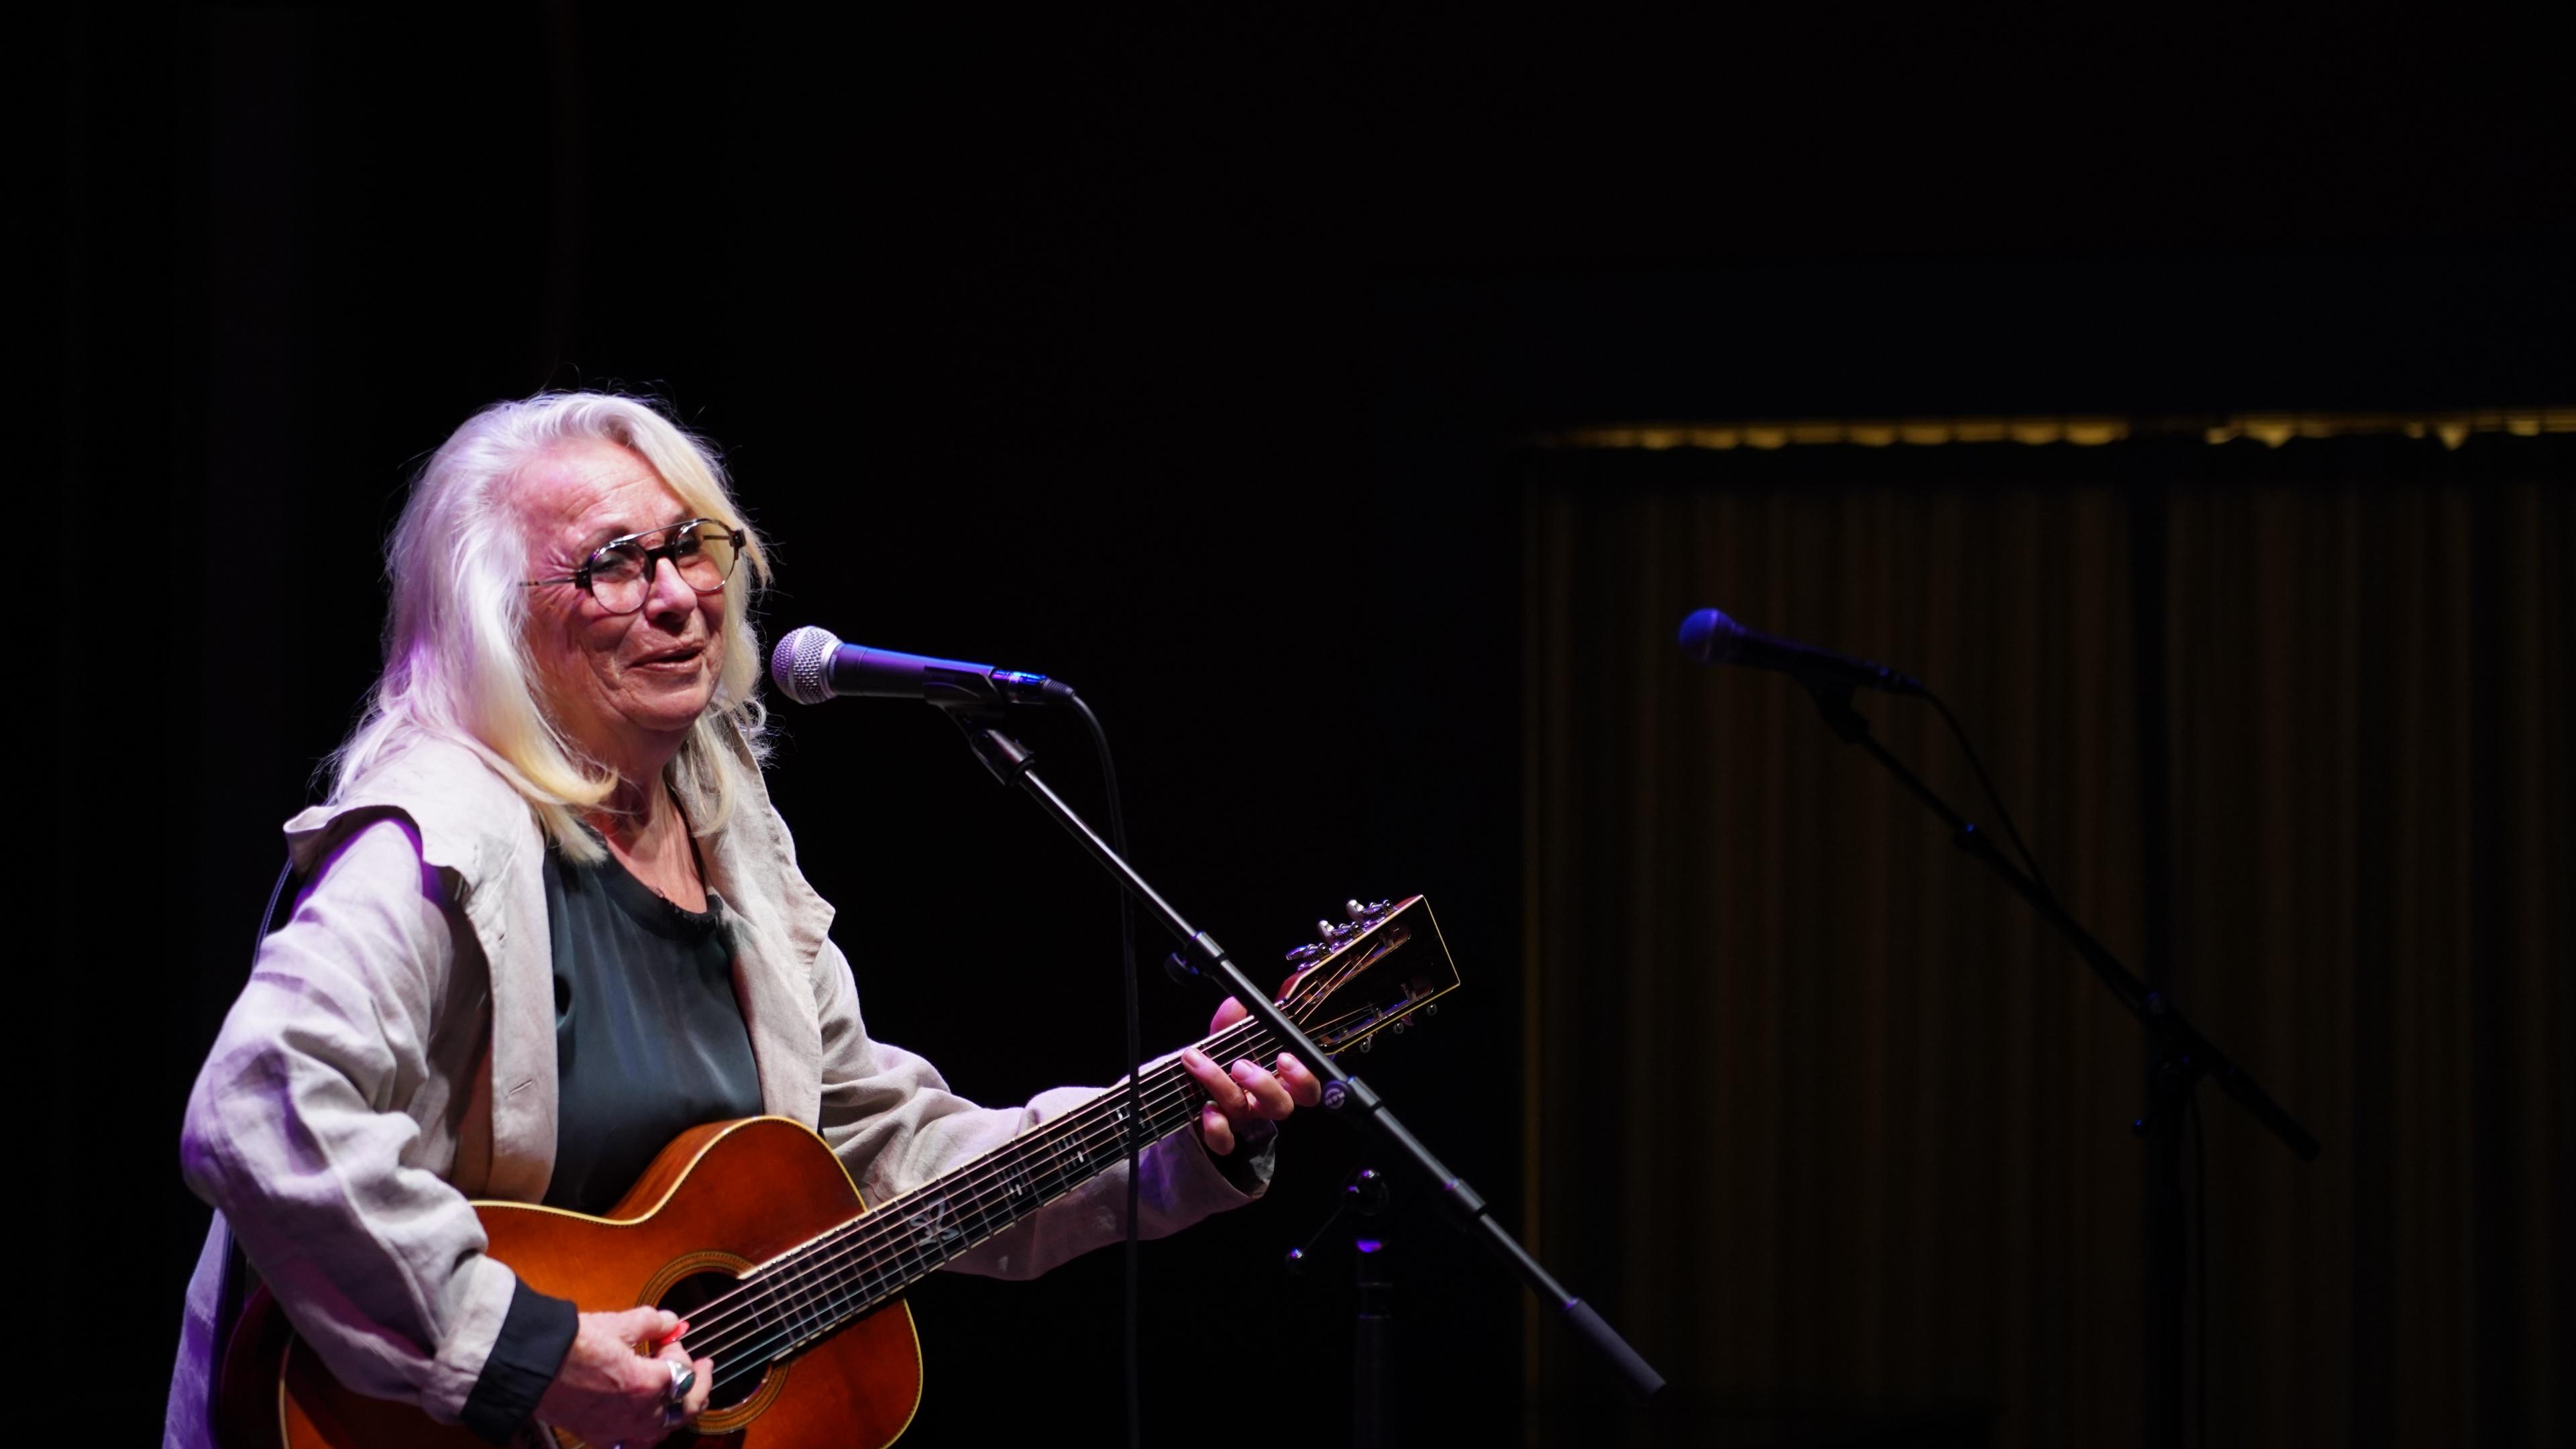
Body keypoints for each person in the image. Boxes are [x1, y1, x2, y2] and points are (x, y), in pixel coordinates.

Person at [166, 392, 1320, 1448]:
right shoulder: (433, 828)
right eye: (611, 564)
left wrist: (1176, 1137)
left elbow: (881, 1152)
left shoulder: (724, 826)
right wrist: (535, 1353)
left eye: (687, 546)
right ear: (492, 623)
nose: (676, 593)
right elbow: (263, 1111)